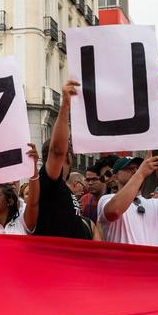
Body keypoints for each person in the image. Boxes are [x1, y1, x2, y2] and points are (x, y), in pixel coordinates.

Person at [31, 80, 95, 240]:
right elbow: (57, 150)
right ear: (67, 154)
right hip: (56, 261)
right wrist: (65, 104)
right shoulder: (48, 181)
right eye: (69, 146)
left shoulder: (62, 187)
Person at [99, 153, 158, 247]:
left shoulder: (155, 203)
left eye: (138, 168)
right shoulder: (106, 199)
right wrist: (140, 173)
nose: (135, 171)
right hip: (125, 262)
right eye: (129, 168)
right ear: (115, 177)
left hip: (157, 262)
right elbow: (115, 211)